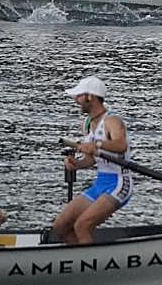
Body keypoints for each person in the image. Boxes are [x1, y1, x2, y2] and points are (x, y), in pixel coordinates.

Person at [50, 76, 132, 245]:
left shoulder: (112, 121)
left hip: (119, 183)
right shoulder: (87, 124)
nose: (75, 100)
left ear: (90, 97)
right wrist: (77, 164)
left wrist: (96, 145)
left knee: (82, 225)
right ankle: (80, 262)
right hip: (101, 183)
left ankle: (91, 265)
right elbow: (91, 159)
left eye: (79, 96)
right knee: (61, 227)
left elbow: (121, 145)